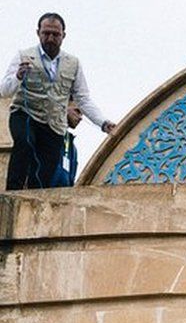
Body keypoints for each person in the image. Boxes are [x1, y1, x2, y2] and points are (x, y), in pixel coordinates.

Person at [0, 12, 117, 190]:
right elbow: (4, 89)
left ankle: (32, 203)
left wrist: (103, 123)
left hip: (54, 125)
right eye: (46, 33)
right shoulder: (23, 56)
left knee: (44, 173)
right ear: (38, 33)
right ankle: (11, 194)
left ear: (63, 35)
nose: (50, 38)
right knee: (24, 143)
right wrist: (18, 76)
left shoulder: (73, 63)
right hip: (25, 115)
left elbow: (83, 98)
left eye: (55, 34)